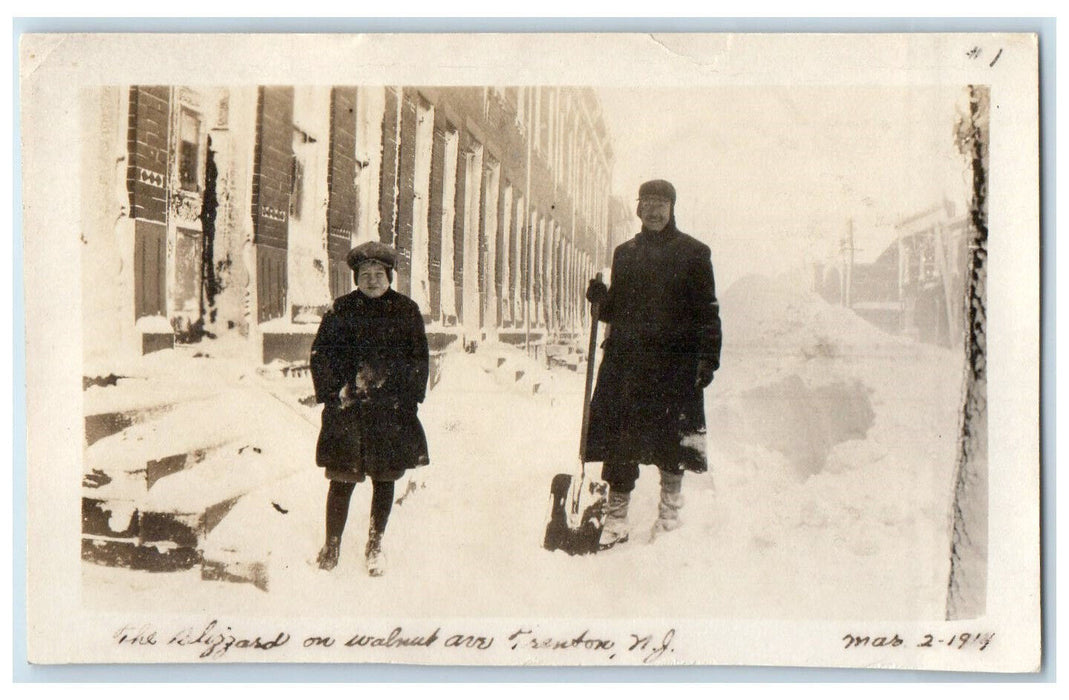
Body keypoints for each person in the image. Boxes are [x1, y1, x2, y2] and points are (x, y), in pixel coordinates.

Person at [585, 179, 722, 550]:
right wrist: (601, 299)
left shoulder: (694, 253)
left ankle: (669, 515)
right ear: (638, 208)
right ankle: (616, 519)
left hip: (674, 365)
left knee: (671, 444)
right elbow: (615, 309)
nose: (654, 210)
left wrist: (707, 359)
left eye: (662, 203)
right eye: (647, 202)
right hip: (627, 364)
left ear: (673, 207)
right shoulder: (625, 253)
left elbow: (708, 312)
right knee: (620, 442)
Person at [309, 241, 430, 576]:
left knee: (384, 478)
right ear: (356, 278)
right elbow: (320, 356)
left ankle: (375, 543)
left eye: (378, 274)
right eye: (365, 274)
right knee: (341, 480)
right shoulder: (340, 310)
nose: (372, 280)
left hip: (389, 413)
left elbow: (419, 360)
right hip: (348, 412)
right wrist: (335, 394)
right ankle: (331, 545)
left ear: (389, 276)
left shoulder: (406, 310)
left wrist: (406, 399)